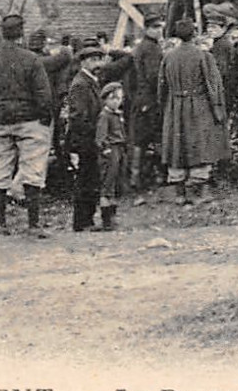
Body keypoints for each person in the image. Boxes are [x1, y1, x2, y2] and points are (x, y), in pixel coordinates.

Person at [0, 13, 56, 236]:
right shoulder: (32, 59)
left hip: (2, 123)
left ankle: (1, 224)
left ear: (1, 33)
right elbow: (44, 95)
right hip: (30, 121)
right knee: (32, 172)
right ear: (21, 33)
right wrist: (45, 119)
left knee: (0, 171)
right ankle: (33, 225)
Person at [158, 19, 229, 204]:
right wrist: (218, 110)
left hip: (174, 105)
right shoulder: (203, 56)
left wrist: (165, 107)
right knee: (200, 145)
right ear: (194, 34)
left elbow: (161, 87)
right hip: (198, 105)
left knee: (177, 147)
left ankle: (180, 193)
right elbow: (213, 86)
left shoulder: (168, 57)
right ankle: (200, 192)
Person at [60, 42, 109, 232]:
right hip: (85, 140)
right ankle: (82, 222)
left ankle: (86, 220)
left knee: (90, 179)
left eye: (99, 59)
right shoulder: (81, 84)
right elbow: (79, 117)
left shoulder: (90, 81)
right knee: (85, 180)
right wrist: (92, 137)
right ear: (83, 62)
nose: (98, 64)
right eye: (93, 60)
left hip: (89, 138)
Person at [126, 14, 165, 194]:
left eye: (160, 27)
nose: (159, 31)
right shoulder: (151, 49)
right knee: (153, 137)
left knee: (141, 140)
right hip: (150, 100)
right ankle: (156, 176)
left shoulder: (141, 47)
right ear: (147, 29)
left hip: (141, 98)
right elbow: (153, 76)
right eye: (156, 27)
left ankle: (139, 177)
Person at [95, 81, 127, 231]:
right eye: (113, 98)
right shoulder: (105, 116)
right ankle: (106, 220)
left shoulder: (118, 115)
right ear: (106, 99)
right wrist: (106, 150)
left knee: (115, 183)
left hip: (119, 149)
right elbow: (101, 137)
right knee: (107, 185)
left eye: (119, 98)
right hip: (110, 151)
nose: (117, 101)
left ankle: (113, 216)